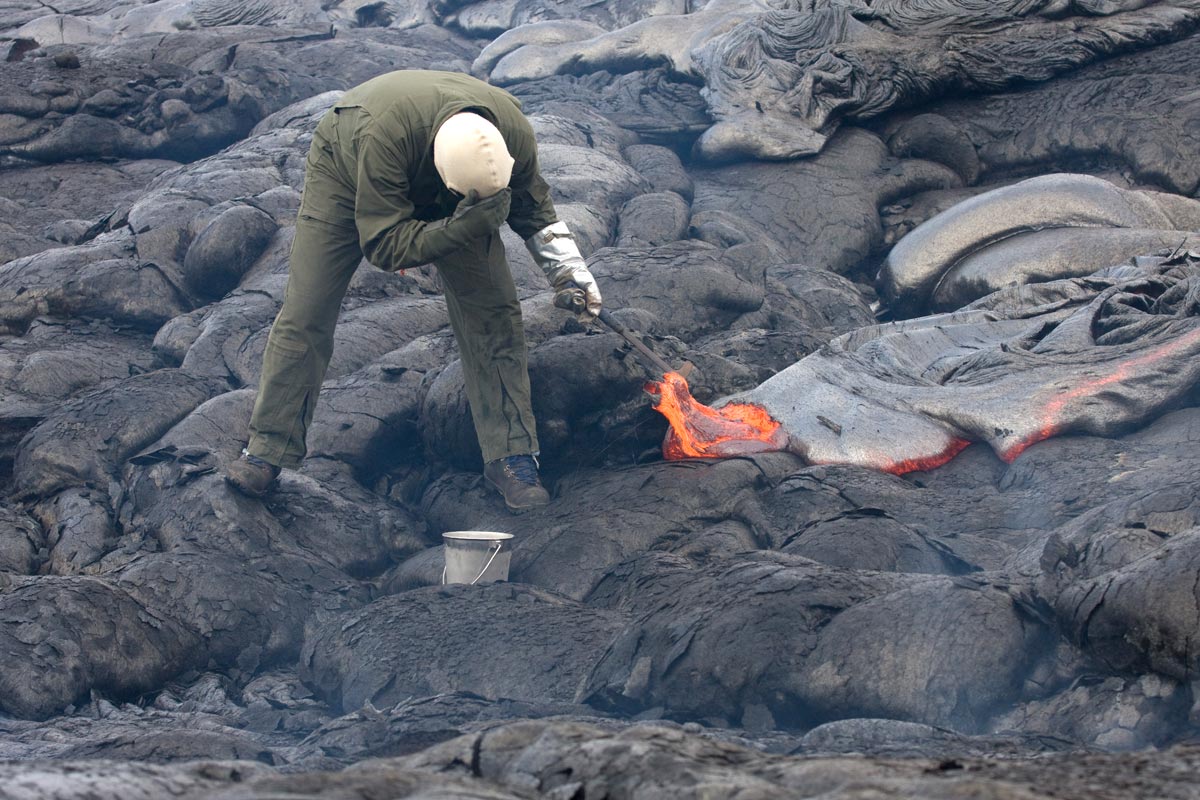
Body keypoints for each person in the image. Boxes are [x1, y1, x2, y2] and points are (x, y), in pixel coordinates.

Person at [223, 70, 602, 512]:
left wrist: (569, 271)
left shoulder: (512, 131)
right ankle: (267, 450)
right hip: (347, 170)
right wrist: (467, 222)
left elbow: (535, 207)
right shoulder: (382, 141)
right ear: (444, 176)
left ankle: (512, 456)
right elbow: (384, 245)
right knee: (307, 312)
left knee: (494, 313)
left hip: (460, 194)